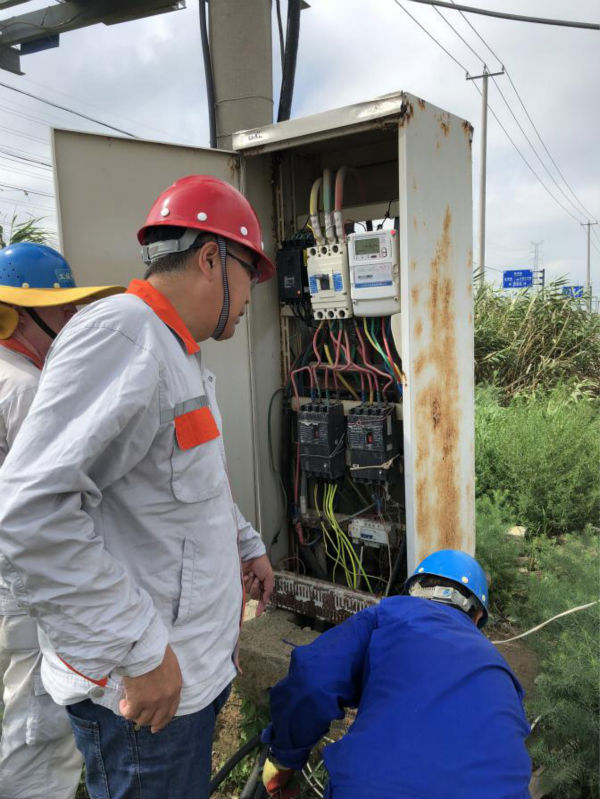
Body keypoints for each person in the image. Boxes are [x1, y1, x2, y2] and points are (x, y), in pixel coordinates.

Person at [0, 176, 276, 799]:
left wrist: (246, 544)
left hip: (183, 679)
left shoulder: (177, 352)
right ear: (211, 259)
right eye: (250, 275)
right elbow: (30, 511)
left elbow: (192, 484)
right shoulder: (124, 336)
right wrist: (139, 650)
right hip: (144, 697)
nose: (250, 297)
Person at [0, 241, 123, 799]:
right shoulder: (24, 389)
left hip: (16, 582)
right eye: (62, 307)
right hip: (31, 586)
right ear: (19, 315)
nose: (73, 317)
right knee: (39, 729)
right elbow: (51, 503)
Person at [262, 549, 532, 799]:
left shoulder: (389, 613)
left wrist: (284, 758)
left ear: (414, 591)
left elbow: (312, 680)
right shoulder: (501, 670)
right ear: (478, 616)